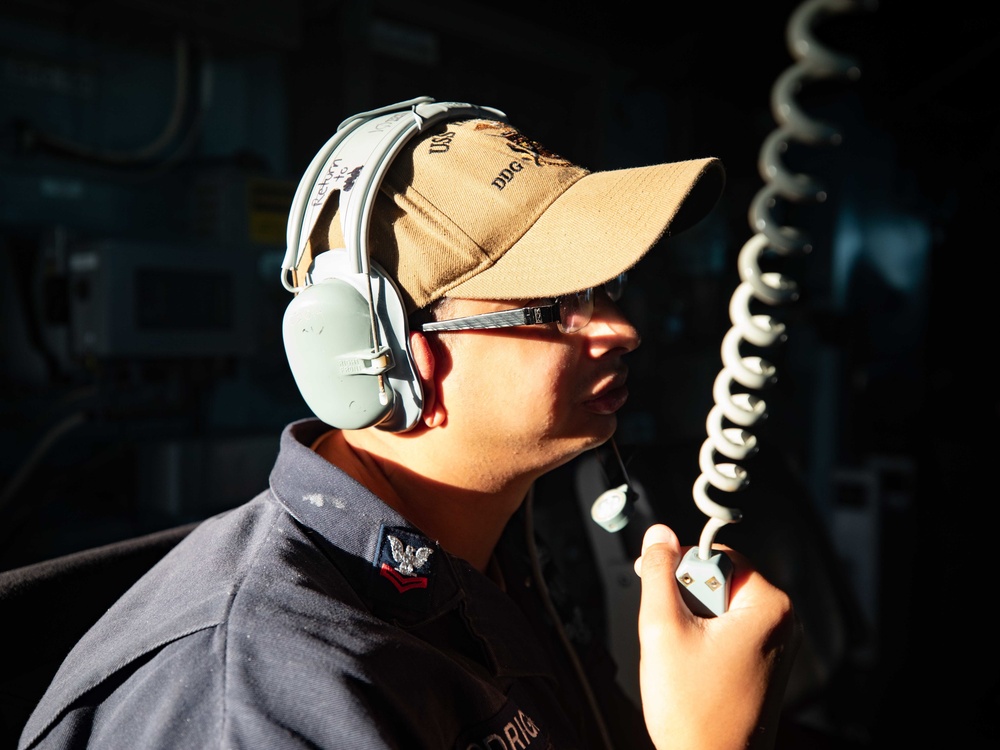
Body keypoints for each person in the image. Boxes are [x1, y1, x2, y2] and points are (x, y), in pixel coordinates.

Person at [18, 98, 799, 750]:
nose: (620, 329)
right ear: (382, 350)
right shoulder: (257, 695)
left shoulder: (495, 557)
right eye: (559, 304)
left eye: (609, 285)